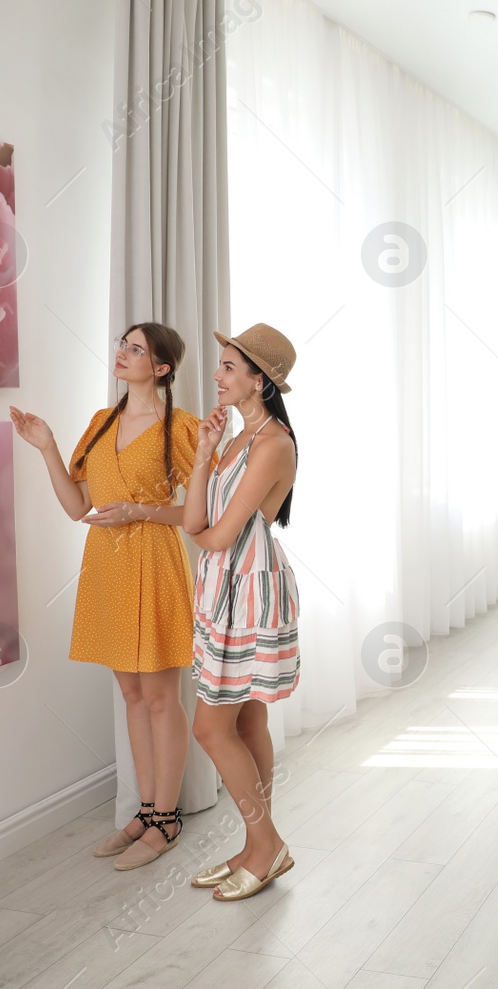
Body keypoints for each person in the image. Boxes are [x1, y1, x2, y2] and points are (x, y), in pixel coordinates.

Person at [8, 323, 199, 870]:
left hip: (156, 563)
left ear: (161, 369)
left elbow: (197, 514)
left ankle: (166, 821)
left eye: (136, 349)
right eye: (123, 344)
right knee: (133, 698)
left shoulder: (180, 429)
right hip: (107, 568)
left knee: (163, 698)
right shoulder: (100, 423)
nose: (123, 353)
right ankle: (144, 812)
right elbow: (76, 507)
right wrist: (46, 446)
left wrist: (141, 510)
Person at [184, 324, 302, 902]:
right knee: (248, 722)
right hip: (223, 584)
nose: (217, 375)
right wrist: (205, 453)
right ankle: (259, 846)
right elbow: (192, 524)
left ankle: (267, 842)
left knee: (210, 727)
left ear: (260, 380)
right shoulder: (236, 438)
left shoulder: (273, 443)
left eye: (229, 366)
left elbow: (217, 534)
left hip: (248, 588)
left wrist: (206, 531)